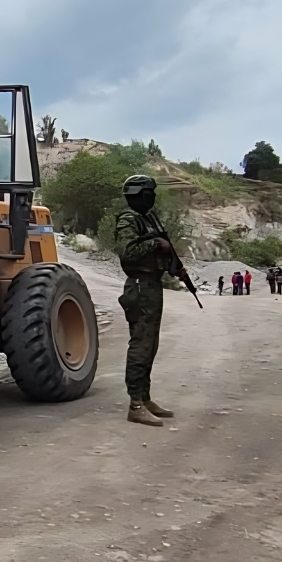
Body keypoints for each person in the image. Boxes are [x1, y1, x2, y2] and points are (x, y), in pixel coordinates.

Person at [114, 175, 178, 427]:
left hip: (153, 285)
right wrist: (155, 243)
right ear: (139, 194)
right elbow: (127, 252)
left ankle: (146, 397)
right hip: (140, 287)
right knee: (141, 345)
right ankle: (135, 405)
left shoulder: (148, 218)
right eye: (148, 193)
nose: (152, 198)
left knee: (151, 345)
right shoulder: (128, 219)